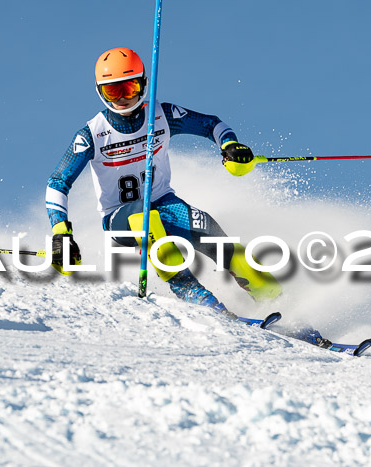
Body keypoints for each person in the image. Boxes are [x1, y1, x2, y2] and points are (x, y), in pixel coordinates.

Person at [45, 47, 283, 318]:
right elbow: (57, 182)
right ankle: (193, 293)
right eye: (113, 91)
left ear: (144, 83)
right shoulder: (92, 134)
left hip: (165, 203)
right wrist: (61, 232)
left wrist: (230, 145)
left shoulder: (162, 114)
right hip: (119, 218)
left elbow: (212, 124)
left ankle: (277, 302)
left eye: (129, 87)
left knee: (213, 233)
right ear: (100, 91)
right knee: (143, 215)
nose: (123, 98)